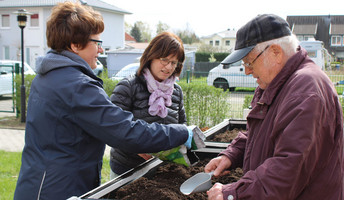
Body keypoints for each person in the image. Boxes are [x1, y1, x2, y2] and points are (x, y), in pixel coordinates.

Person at [13, 2, 193, 200]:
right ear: (75, 45)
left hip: (44, 182)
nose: (100, 50)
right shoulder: (76, 85)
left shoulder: (50, 75)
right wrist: (182, 132)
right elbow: (125, 131)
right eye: (97, 43)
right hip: (57, 189)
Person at [205, 14, 344, 200]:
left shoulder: (305, 91)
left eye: (249, 61)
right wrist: (232, 155)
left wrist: (233, 193)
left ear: (276, 53)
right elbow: (261, 133)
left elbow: (289, 167)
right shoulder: (277, 83)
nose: (246, 70)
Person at [109, 32, 187, 177]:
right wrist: (137, 149)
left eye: (174, 62)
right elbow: (113, 130)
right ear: (151, 56)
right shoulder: (128, 87)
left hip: (161, 170)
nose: (169, 67)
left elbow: (181, 125)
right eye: (164, 60)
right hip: (127, 170)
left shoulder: (176, 91)